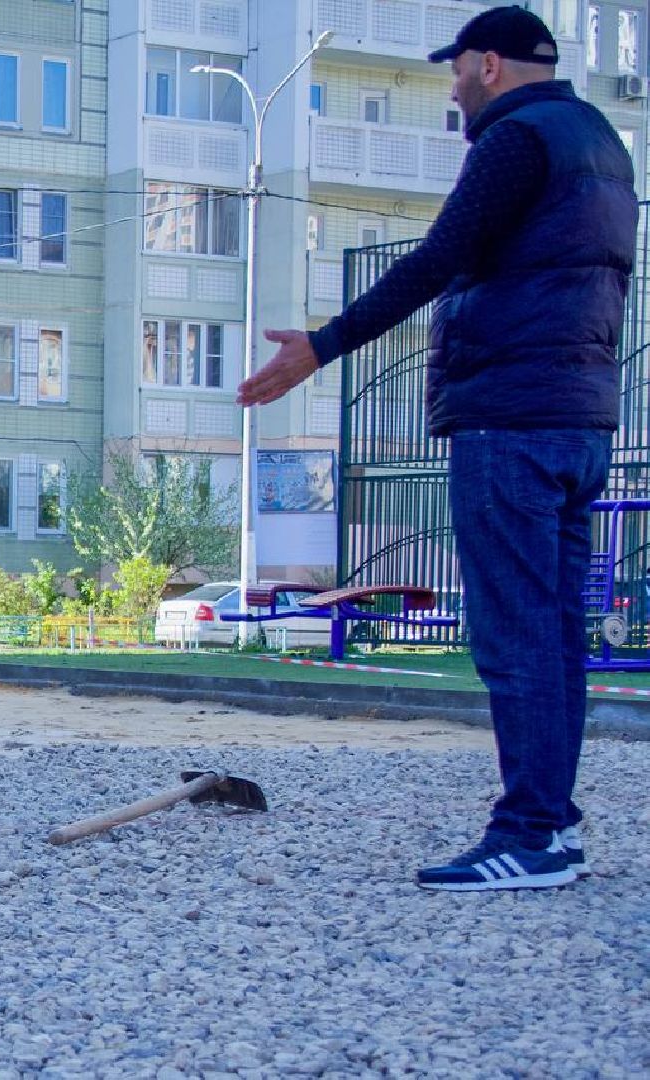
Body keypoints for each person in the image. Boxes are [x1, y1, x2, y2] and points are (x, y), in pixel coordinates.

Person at [237, 6, 636, 891]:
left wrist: (322, 344)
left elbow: (439, 258)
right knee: (556, 629)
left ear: (487, 63)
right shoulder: (599, 143)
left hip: (510, 416)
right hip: (579, 418)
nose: (452, 86)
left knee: (513, 633)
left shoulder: (515, 139)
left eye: (456, 69)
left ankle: (529, 835)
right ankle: (552, 828)